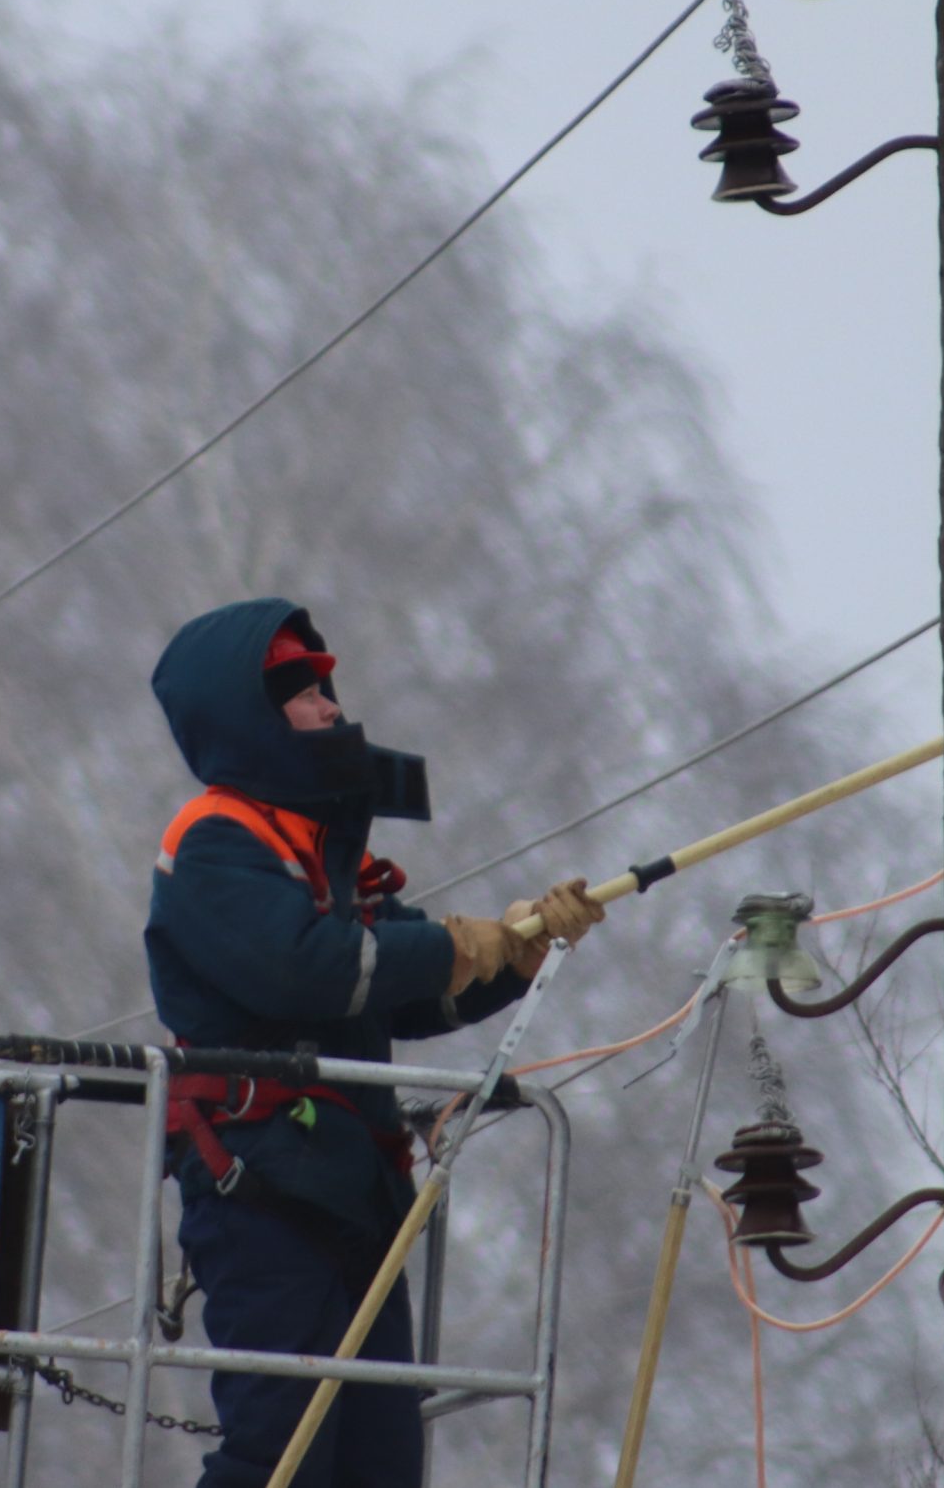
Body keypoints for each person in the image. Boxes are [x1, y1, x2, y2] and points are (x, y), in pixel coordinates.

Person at [146, 598, 602, 1488]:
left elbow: (395, 994)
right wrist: (453, 943)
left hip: (353, 1193)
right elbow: (306, 970)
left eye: (326, 685)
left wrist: (513, 951)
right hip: (261, 1191)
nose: (329, 706)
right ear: (248, 716)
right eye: (301, 691)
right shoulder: (215, 844)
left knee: (379, 1459)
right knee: (280, 1452)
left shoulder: (319, 859)